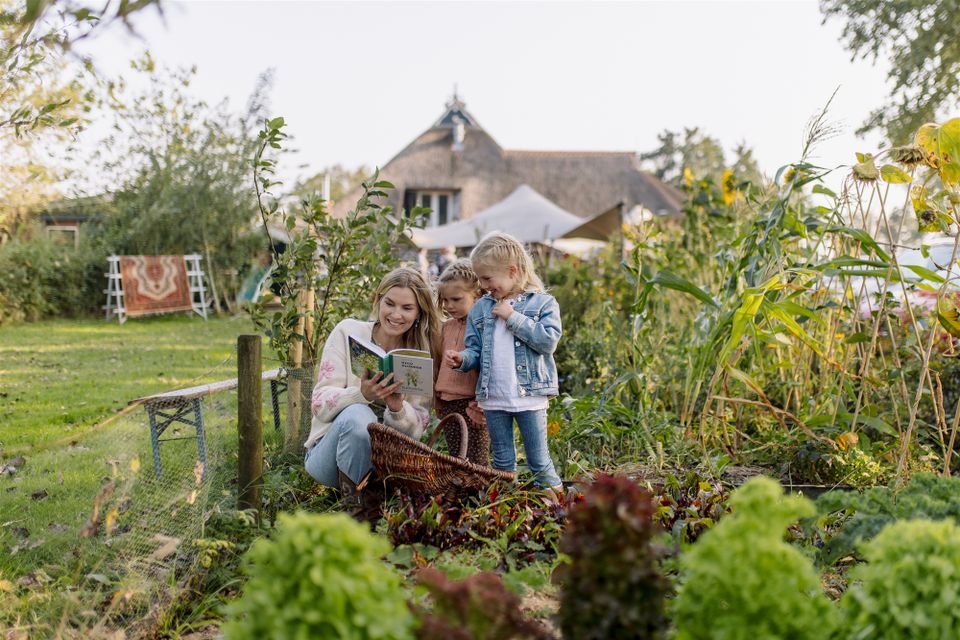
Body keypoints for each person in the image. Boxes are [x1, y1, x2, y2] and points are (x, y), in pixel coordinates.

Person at [306, 267, 443, 522]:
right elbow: (319, 404)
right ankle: (356, 517)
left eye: (407, 308)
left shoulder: (418, 355)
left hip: (386, 467)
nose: (396, 314)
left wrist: (397, 408)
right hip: (328, 459)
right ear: (377, 300)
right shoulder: (348, 332)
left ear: (418, 313)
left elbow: (416, 432)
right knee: (360, 413)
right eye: (389, 303)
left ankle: (368, 507)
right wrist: (361, 394)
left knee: (371, 418)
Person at [443, 231, 564, 499]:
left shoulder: (542, 303)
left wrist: (514, 318)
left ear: (512, 270)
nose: (484, 286)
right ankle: (505, 510)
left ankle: (559, 509)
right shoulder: (481, 309)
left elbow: (548, 342)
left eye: (487, 278)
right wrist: (463, 359)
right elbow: (476, 350)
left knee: (538, 461)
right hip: (495, 398)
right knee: (502, 462)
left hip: (529, 398)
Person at [434, 258, 489, 465]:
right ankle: (461, 496)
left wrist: (484, 402)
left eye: (456, 299)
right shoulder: (446, 327)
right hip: (448, 403)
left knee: (476, 461)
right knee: (455, 458)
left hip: (471, 404)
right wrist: (437, 396)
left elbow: (490, 366)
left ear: (476, 296)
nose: (449, 306)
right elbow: (439, 364)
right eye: (445, 300)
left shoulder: (484, 327)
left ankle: (482, 496)